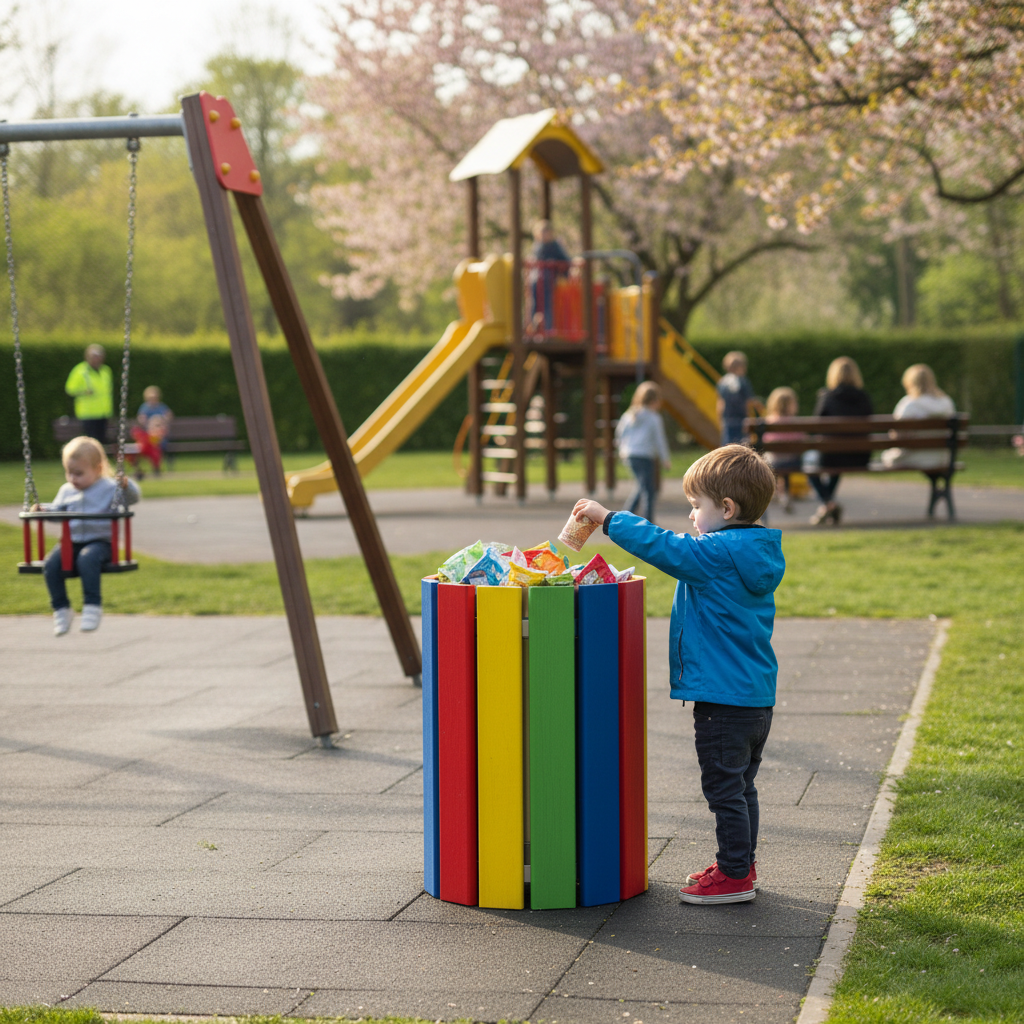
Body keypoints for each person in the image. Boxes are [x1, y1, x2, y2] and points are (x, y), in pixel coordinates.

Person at [571, 444, 783, 905]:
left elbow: (662, 547)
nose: (691, 516)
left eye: (696, 506)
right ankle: (738, 862)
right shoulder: (756, 551)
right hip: (754, 698)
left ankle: (734, 877)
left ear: (727, 509)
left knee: (724, 789)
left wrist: (608, 518)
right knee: (741, 787)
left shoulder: (716, 555)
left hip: (723, 703)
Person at [36, 436, 140, 636]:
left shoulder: (109, 487)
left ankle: (92, 606)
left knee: (87, 559)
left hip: (101, 543)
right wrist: (43, 509)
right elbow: (57, 512)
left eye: (79, 473)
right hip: (72, 542)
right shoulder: (67, 490)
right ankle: (61, 609)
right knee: (50, 565)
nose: (73, 479)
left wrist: (127, 486)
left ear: (98, 469)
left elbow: (133, 499)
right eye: (69, 473)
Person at [807, 356, 873, 526]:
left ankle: (828, 504)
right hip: (859, 456)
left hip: (832, 455)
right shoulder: (864, 397)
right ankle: (828, 506)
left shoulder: (827, 397)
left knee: (809, 465)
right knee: (835, 465)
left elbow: (816, 426)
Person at [880, 364, 956, 470]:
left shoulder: (909, 404)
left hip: (914, 457)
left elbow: (896, 436)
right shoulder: (946, 402)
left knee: (886, 456)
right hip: (941, 458)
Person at [615, 381, 672, 522]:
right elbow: (660, 440)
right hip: (645, 456)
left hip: (630, 455)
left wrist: (622, 450)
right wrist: (665, 458)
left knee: (642, 487)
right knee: (648, 490)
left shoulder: (630, 414)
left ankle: (624, 518)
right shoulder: (654, 418)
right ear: (655, 400)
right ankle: (647, 521)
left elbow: (619, 434)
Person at [64, 344, 114, 445]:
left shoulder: (106, 371)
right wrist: (84, 392)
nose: (97, 359)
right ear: (87, 357)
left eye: (99, 356)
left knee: (101, 441)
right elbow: (69, 389)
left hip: (103, 412)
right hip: (87, 413)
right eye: (94, 356)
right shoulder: (80, 371)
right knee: (90, 442)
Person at [763, 386, 801, 511]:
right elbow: (802, 440)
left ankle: (778, 493)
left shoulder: (769, 422)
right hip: (793, 462)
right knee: (787, 466)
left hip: (774, 462)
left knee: (771, 459)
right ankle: (785, 495)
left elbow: (764, 441)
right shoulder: (795, 422)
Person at [529, 219, 571, 331]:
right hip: (536, 279)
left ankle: (548, 328)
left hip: (548, 279)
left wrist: (554, 265)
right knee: (534, 303)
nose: (544, 235)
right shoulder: (537, 246)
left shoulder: (554, 246)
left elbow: (566, 262)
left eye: (546, 232)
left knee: (547, 304)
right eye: (542, 232)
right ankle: (531, 326)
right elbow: (535, 260)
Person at [132, 385, 174, 477]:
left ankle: (156, 468)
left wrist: (162, 421)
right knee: (147, 447)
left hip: (159, 436)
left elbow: (169, 415)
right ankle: (144, 469)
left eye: (155, 397)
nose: (153, 399)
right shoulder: (145, 408)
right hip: (148, 437)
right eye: (151, 398)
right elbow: (141, 419)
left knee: (159, 445)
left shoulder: (161, 407)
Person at [716, 351, 757, 446]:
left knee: (727, 445)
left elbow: (721, 403)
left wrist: (720, 419)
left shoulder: (723, 382)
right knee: (741, 446)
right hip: (741, 419)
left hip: (728, 419)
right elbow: (748, 402)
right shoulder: (743, 381)